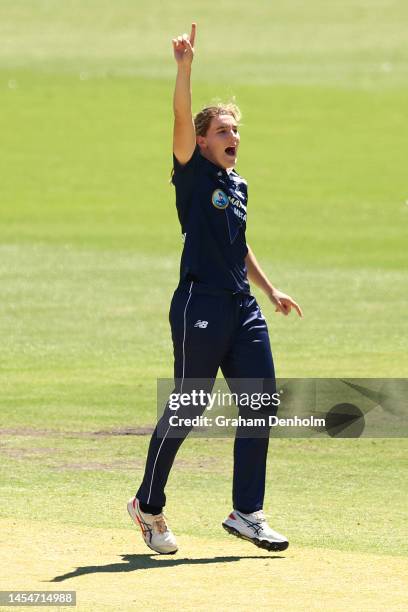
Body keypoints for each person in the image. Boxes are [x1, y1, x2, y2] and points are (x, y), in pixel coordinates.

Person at [127, 22, 302, 555]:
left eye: (236, 132)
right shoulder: (192, 174)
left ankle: (247, 512)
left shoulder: (237, 185)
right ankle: (148, 506)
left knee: (261, 402)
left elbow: (238, 245)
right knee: (188, 405)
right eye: (223, 131)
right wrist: (185, 70)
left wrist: (270, 291)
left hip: (242, 307)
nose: (233, 139)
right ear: (202, 141)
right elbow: (180, 116)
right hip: (198, 303)